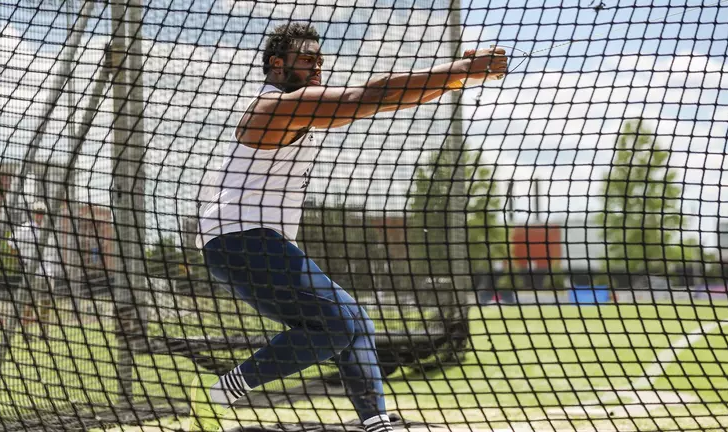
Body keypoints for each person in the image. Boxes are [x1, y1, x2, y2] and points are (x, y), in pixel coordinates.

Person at [191, 22, 508, 431]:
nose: (317, 67)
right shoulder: (275, 107)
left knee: (355, 321)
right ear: (276, 64)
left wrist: (457, 78)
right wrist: (460, 70)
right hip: (242, 239)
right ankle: (224, 390)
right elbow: (372, 95)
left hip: (246, 244)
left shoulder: (295, 108)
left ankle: (376, 422)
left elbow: (387, 101)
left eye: (320, 60)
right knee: (338, 323)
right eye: (307, 59)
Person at [10, 201, 57, 332]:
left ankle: (44, 332)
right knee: (30, 303)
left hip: (48, 272)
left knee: (46, 303)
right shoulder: (25, 228)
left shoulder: (48, 229)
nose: (39, 215)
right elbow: (11, 243)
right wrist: (19, 261)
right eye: (37, 212)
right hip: (32, 272)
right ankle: (26, 331)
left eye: (42, 213)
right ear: (33, 213)